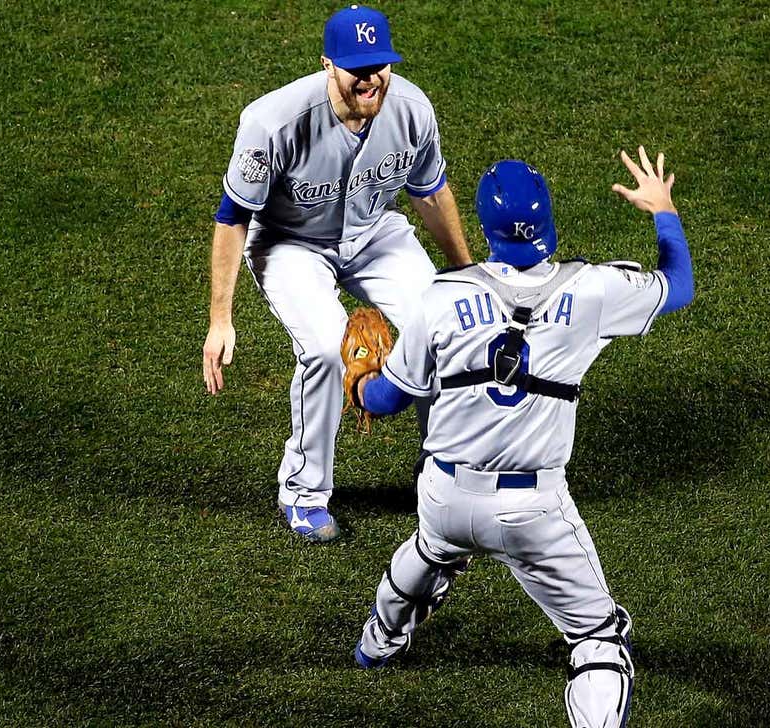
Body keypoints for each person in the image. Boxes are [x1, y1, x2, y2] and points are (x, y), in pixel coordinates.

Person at [347, 148, 695, 727]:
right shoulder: (593, 290)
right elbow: (678, 285)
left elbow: (389, 399)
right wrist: (662, 209)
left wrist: (359, 388)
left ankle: (376, 644)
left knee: (432, 551)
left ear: (486, 230)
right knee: (598, 638)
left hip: (445, 498)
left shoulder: (441, 296)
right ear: (548, 220)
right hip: (534, 511)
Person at [201, 5, 471, 543]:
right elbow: (232, 216)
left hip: (375, 233)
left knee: (442, 327)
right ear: (328, 65)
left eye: (380, 65)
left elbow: (431, 193)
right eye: (356, 68)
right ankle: (303, 494)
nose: (371, 78)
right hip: (290, 242)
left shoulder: (412, 109)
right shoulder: (272, 122)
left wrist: (466, 275)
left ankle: (439, 477)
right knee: (326, 347)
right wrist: (220, 317)